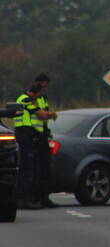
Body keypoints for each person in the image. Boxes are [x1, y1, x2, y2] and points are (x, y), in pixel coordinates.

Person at [13, 82, 55, 210]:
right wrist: (50, 115)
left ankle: (36, 198)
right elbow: (41, 115)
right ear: (34, 93)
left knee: (36, 169)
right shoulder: (25, 100)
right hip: (25, 136)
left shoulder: (35, 99)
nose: (39, 98)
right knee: (27, 169)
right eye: (38, 95)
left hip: (33, 137)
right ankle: (24, 199)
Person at [33, 73, 58, 207]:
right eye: (44, 87)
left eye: (47, 87)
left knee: (45, 169)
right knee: (35, 169)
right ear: (37, 84)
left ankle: (44, 197)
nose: (45, 89)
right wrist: (50, 115)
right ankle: (35, 198)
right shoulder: (29, 98)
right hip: (32, 137)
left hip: (43, 136)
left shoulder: (43, 98)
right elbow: (41, 115)